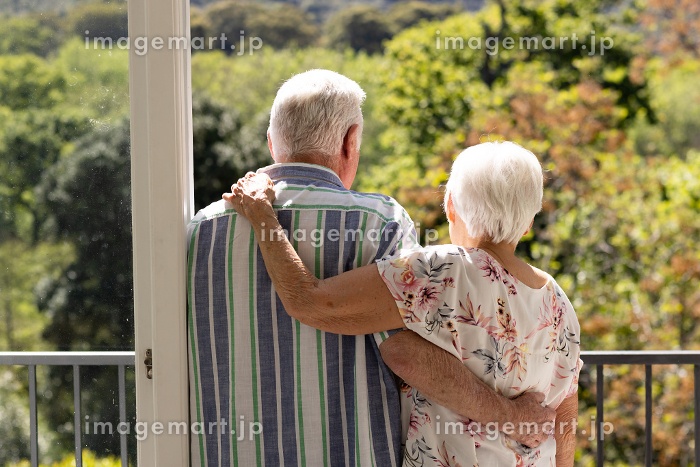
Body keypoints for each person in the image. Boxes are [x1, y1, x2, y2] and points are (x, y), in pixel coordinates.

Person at [188, 69, 555, 466]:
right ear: (350, 141)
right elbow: (407, 352)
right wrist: (512, 415)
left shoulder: (201, 230)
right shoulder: (380, 222)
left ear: (272, 143)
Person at [224, 140, 583, 466]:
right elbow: (565, 414)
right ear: (529, 220)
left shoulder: (444, 270)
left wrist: (263, 218)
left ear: (451, 205)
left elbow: (310, 303)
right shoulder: (557, 300)